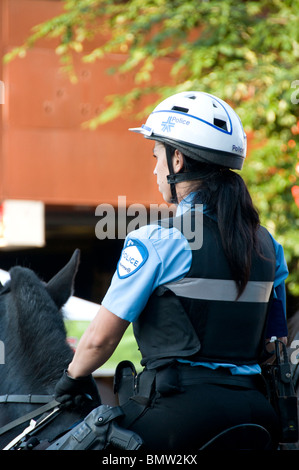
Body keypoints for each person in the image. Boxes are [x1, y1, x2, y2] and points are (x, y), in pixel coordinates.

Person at [55, 91, 288, 451]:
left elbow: (99, 340)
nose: (154, 169)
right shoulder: (269, 245)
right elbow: (275, 346)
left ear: (177, 159)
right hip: (256, 417)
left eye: (156, 157)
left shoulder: (156, 240)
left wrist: (71, 378)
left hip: (176, 419)